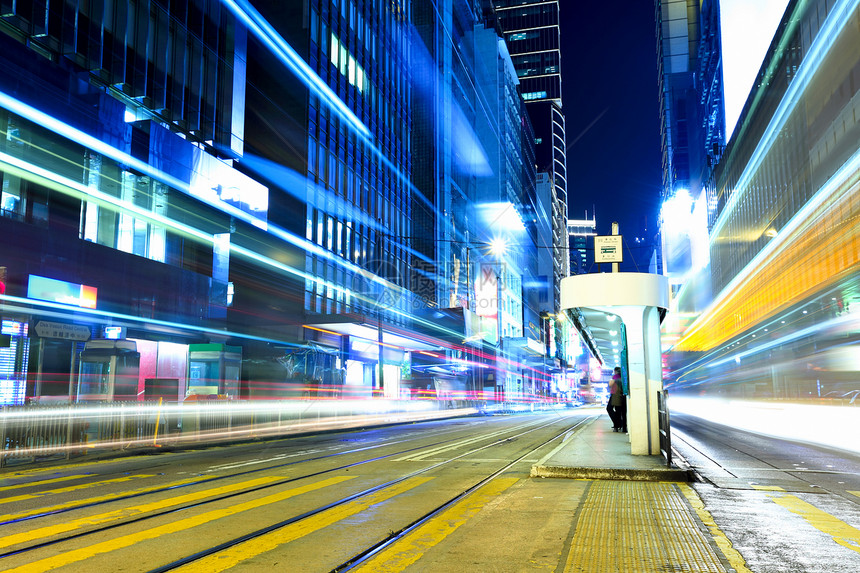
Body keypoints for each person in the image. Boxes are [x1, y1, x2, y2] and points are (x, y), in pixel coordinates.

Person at [607, 367, 627, 433]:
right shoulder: (624, 377)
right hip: (623, 396)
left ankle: (617, 424)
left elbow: (610, 384)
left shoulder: (616, 377)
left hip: (616, 395)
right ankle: (623, 427)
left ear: (615, 371)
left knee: (611, 409)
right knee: (622, 412)